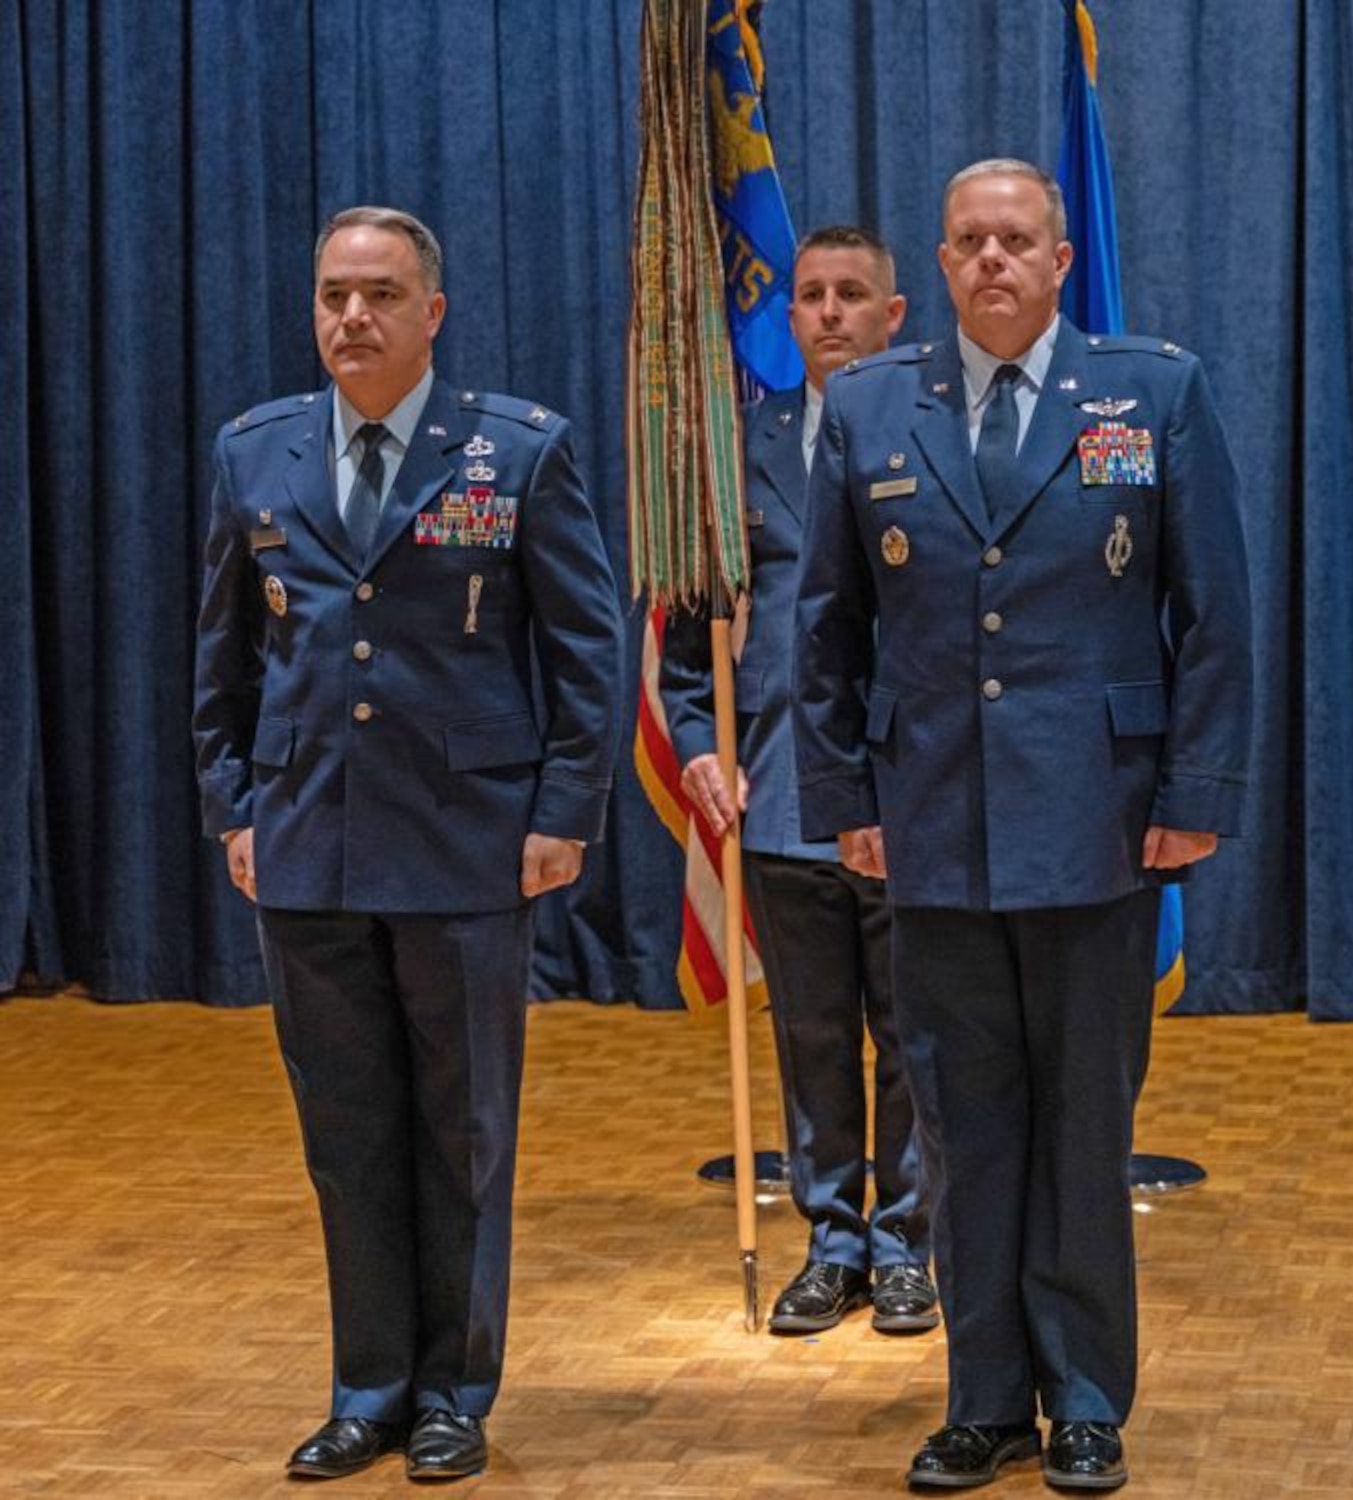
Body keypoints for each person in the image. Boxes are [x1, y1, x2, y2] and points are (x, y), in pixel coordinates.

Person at [792, 158, 1252, 1493]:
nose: (993, 262)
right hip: (930, 821)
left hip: (1100, 825)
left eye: (1018, 242)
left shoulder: (1150, 392)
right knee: (964, 1125)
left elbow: (1213, 616)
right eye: (969, 243)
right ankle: (984, 1395)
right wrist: (844, 805)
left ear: (1060, 262)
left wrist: (1192, 799)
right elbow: (826, 632)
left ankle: (1090, 1395)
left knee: (1083, 1125)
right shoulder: (874, 404)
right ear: (939, 267)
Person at [192, 206, 621, 1483]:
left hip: (465, 847)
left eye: (378, 295)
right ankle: (365, 1386)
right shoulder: (256, 451)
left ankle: (453, 1389)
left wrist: (560, 814)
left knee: (463, 1129)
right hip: (310, 841)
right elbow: (222, 656)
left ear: (430, 313)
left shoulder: (514, 452)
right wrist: (235, 805)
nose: (350, 319)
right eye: (332, 295)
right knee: (347, 1133)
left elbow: (586, 653)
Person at [660, 224, 939, 1336]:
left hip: (907, 789)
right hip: (776, 787)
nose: (827, 313)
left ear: (893, 315)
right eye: (810, 296)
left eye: (850, 295)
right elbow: (689, 641)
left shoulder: (935, 427)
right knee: (813, 1033)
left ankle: (908, 1241)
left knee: (912, 1031)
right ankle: (832, 1239)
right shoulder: (741, 451)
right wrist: (695, 742)